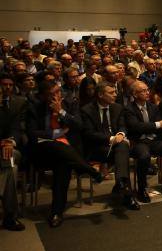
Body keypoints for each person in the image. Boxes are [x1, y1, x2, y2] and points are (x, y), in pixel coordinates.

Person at [27, 81, 104, 227]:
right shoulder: (35, 108)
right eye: (52, 94)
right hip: (42, 151)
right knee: (56, 146)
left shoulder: (70, 104)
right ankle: (88, 169)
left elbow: (78, 125)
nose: (57, 96)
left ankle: (56, 212)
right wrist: (56, 133)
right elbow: (32, 133)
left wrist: (61, 112)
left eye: (58, 91)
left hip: (67, 152)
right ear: (43, 96)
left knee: (63, 164)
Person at [80, 81, 139, 211]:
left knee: (122, 147)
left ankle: (122, 186)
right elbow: (88, 134)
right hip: (97, 148)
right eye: (111, 92)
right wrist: (112, 138)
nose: (115, 94)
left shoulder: (117, 107)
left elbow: (123, 125)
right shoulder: (87, 110)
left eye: (115, 92)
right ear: (100, 94)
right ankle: (124, 189)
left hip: (117, 148)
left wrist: (121, 134)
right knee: (123, 151)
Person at [124, 80, 162, 201]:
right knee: (144, 156)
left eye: (147, 90)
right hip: (138, 142)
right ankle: (142, 188)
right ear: (134, 94)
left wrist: (153, 126)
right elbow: (135, 127)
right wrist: (156, 125)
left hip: (154, 140)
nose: (147, 93)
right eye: (143, 91)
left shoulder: (153, 107)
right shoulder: (129, 109)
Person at [0, 73, 26, 230]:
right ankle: (10, 216)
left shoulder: (17, 103)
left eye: (10, 85)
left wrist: (9, 142)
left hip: (10, 148)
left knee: (9, 157)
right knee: (11, 167)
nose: (7, 88)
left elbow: (17, 127)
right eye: (4, 85)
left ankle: (10, 215)